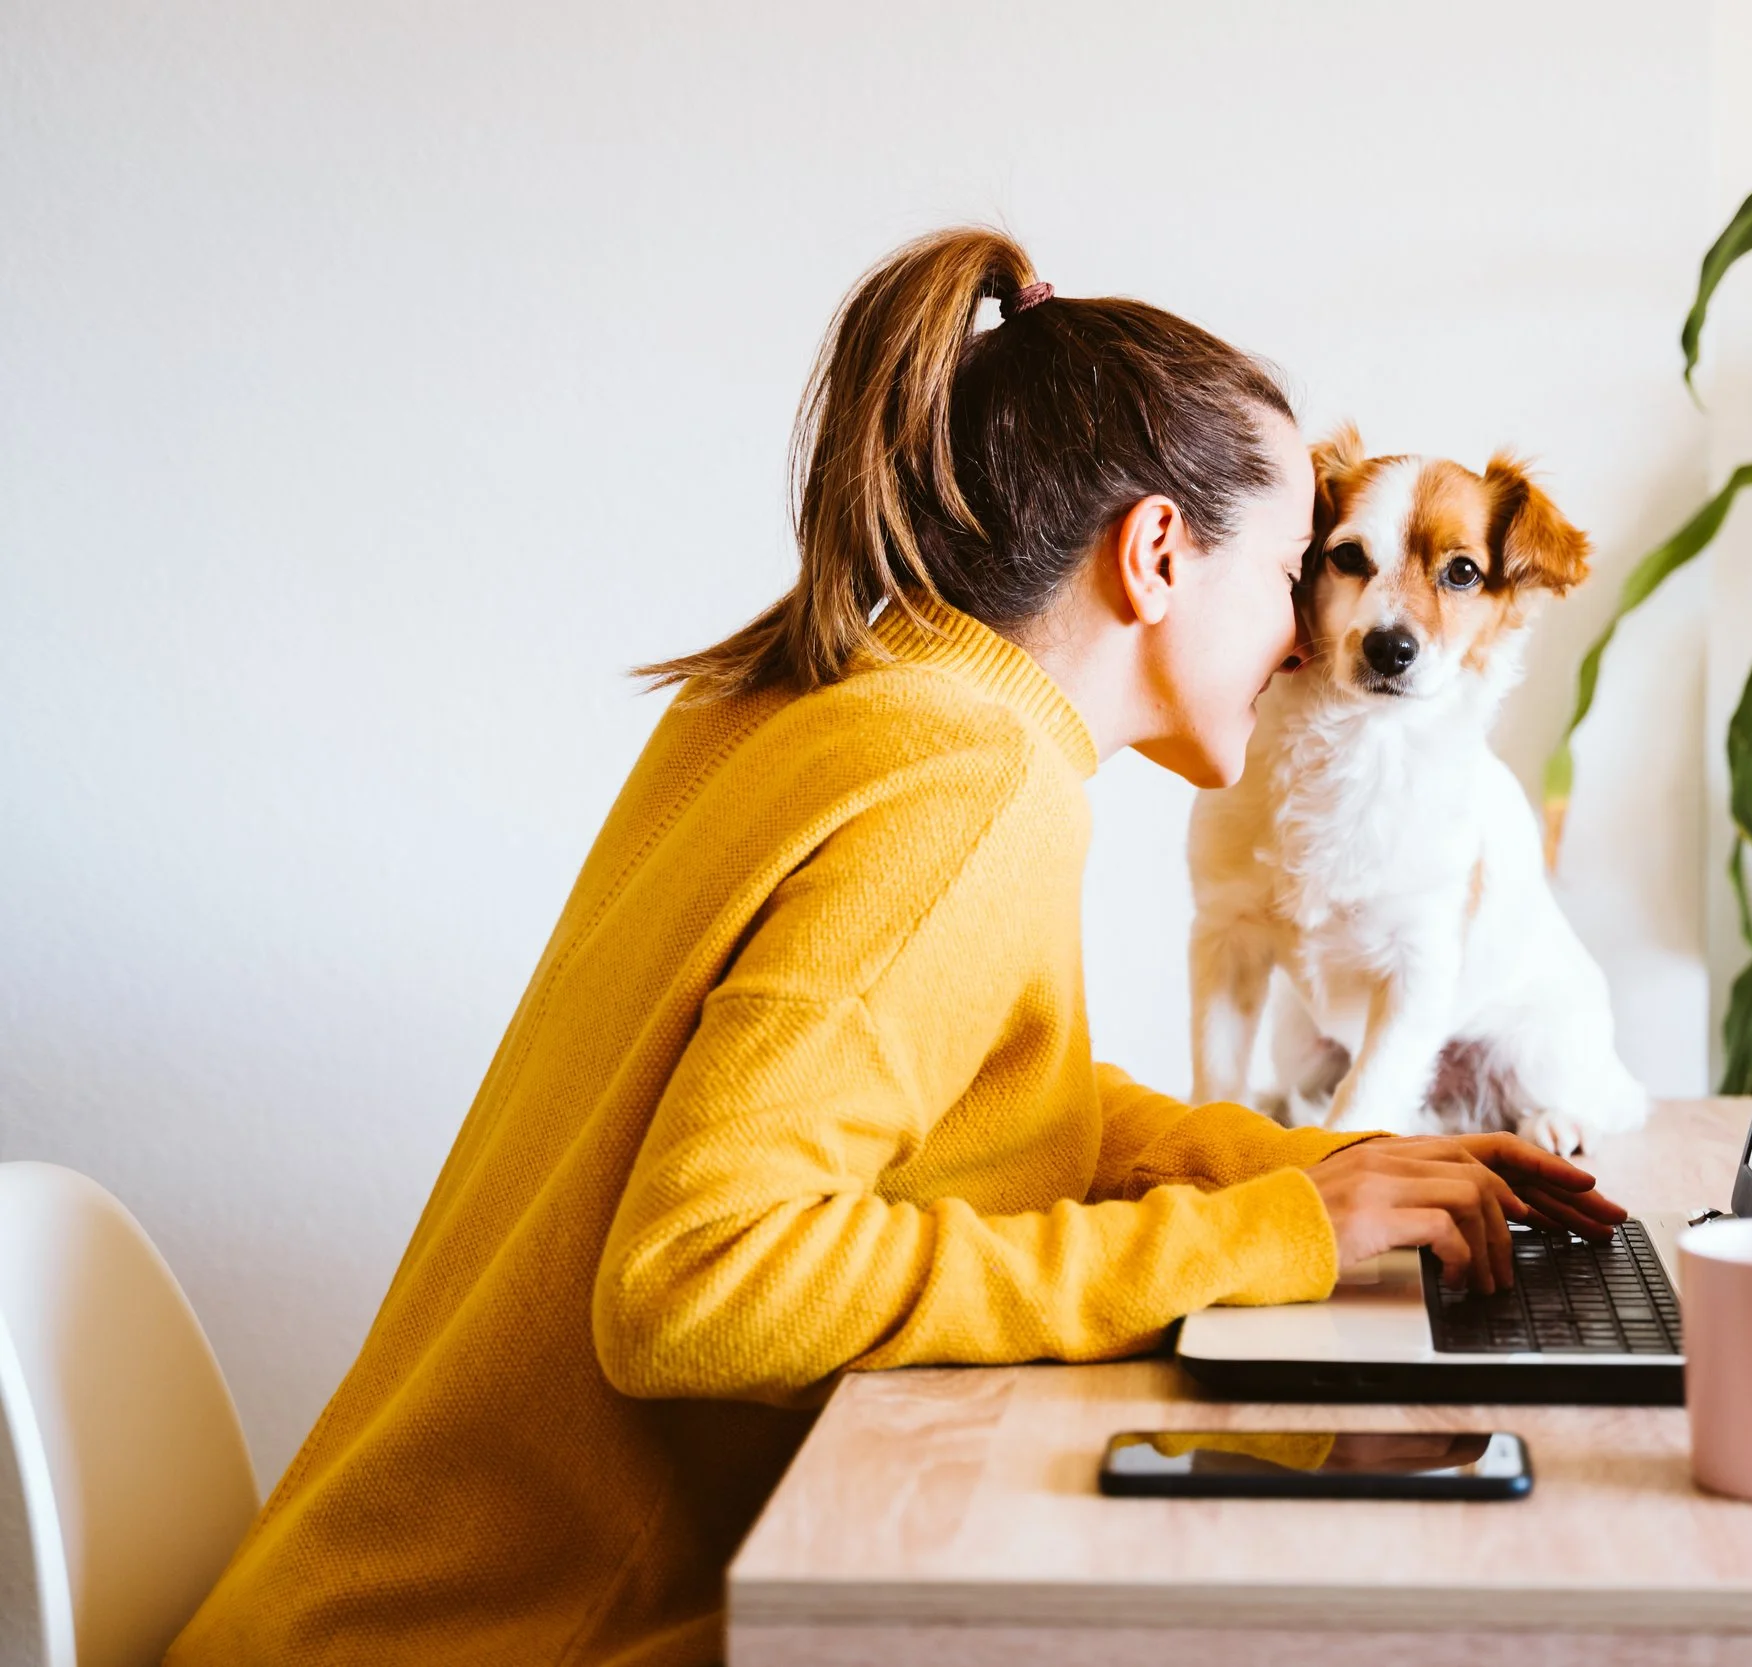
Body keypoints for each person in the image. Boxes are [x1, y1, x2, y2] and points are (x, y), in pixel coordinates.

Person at [168, 227, 1626, 1666]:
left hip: (353, 1608)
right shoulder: (968, 782)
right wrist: (1262, 1238)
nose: (1313, 637)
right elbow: (699, 1285)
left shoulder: (841, 693)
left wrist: (1304, 1174)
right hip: (503, 1639)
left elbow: (991, 1103)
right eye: (1299, 568)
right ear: (1158, 554)